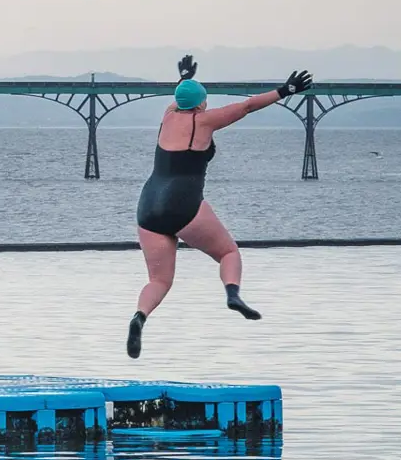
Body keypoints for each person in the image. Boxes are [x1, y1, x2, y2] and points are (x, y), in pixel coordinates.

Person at [127, 56, 313, 358]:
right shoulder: (205, 121)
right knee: (228, 252)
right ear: (202, 105)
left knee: (158, 280)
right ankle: (233, 294)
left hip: (148, 206)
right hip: (183, 204)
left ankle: (139, 317)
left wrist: (184, 76)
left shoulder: (169, 115)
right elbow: (247, 106)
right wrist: (285, 90)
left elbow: (182, 97)